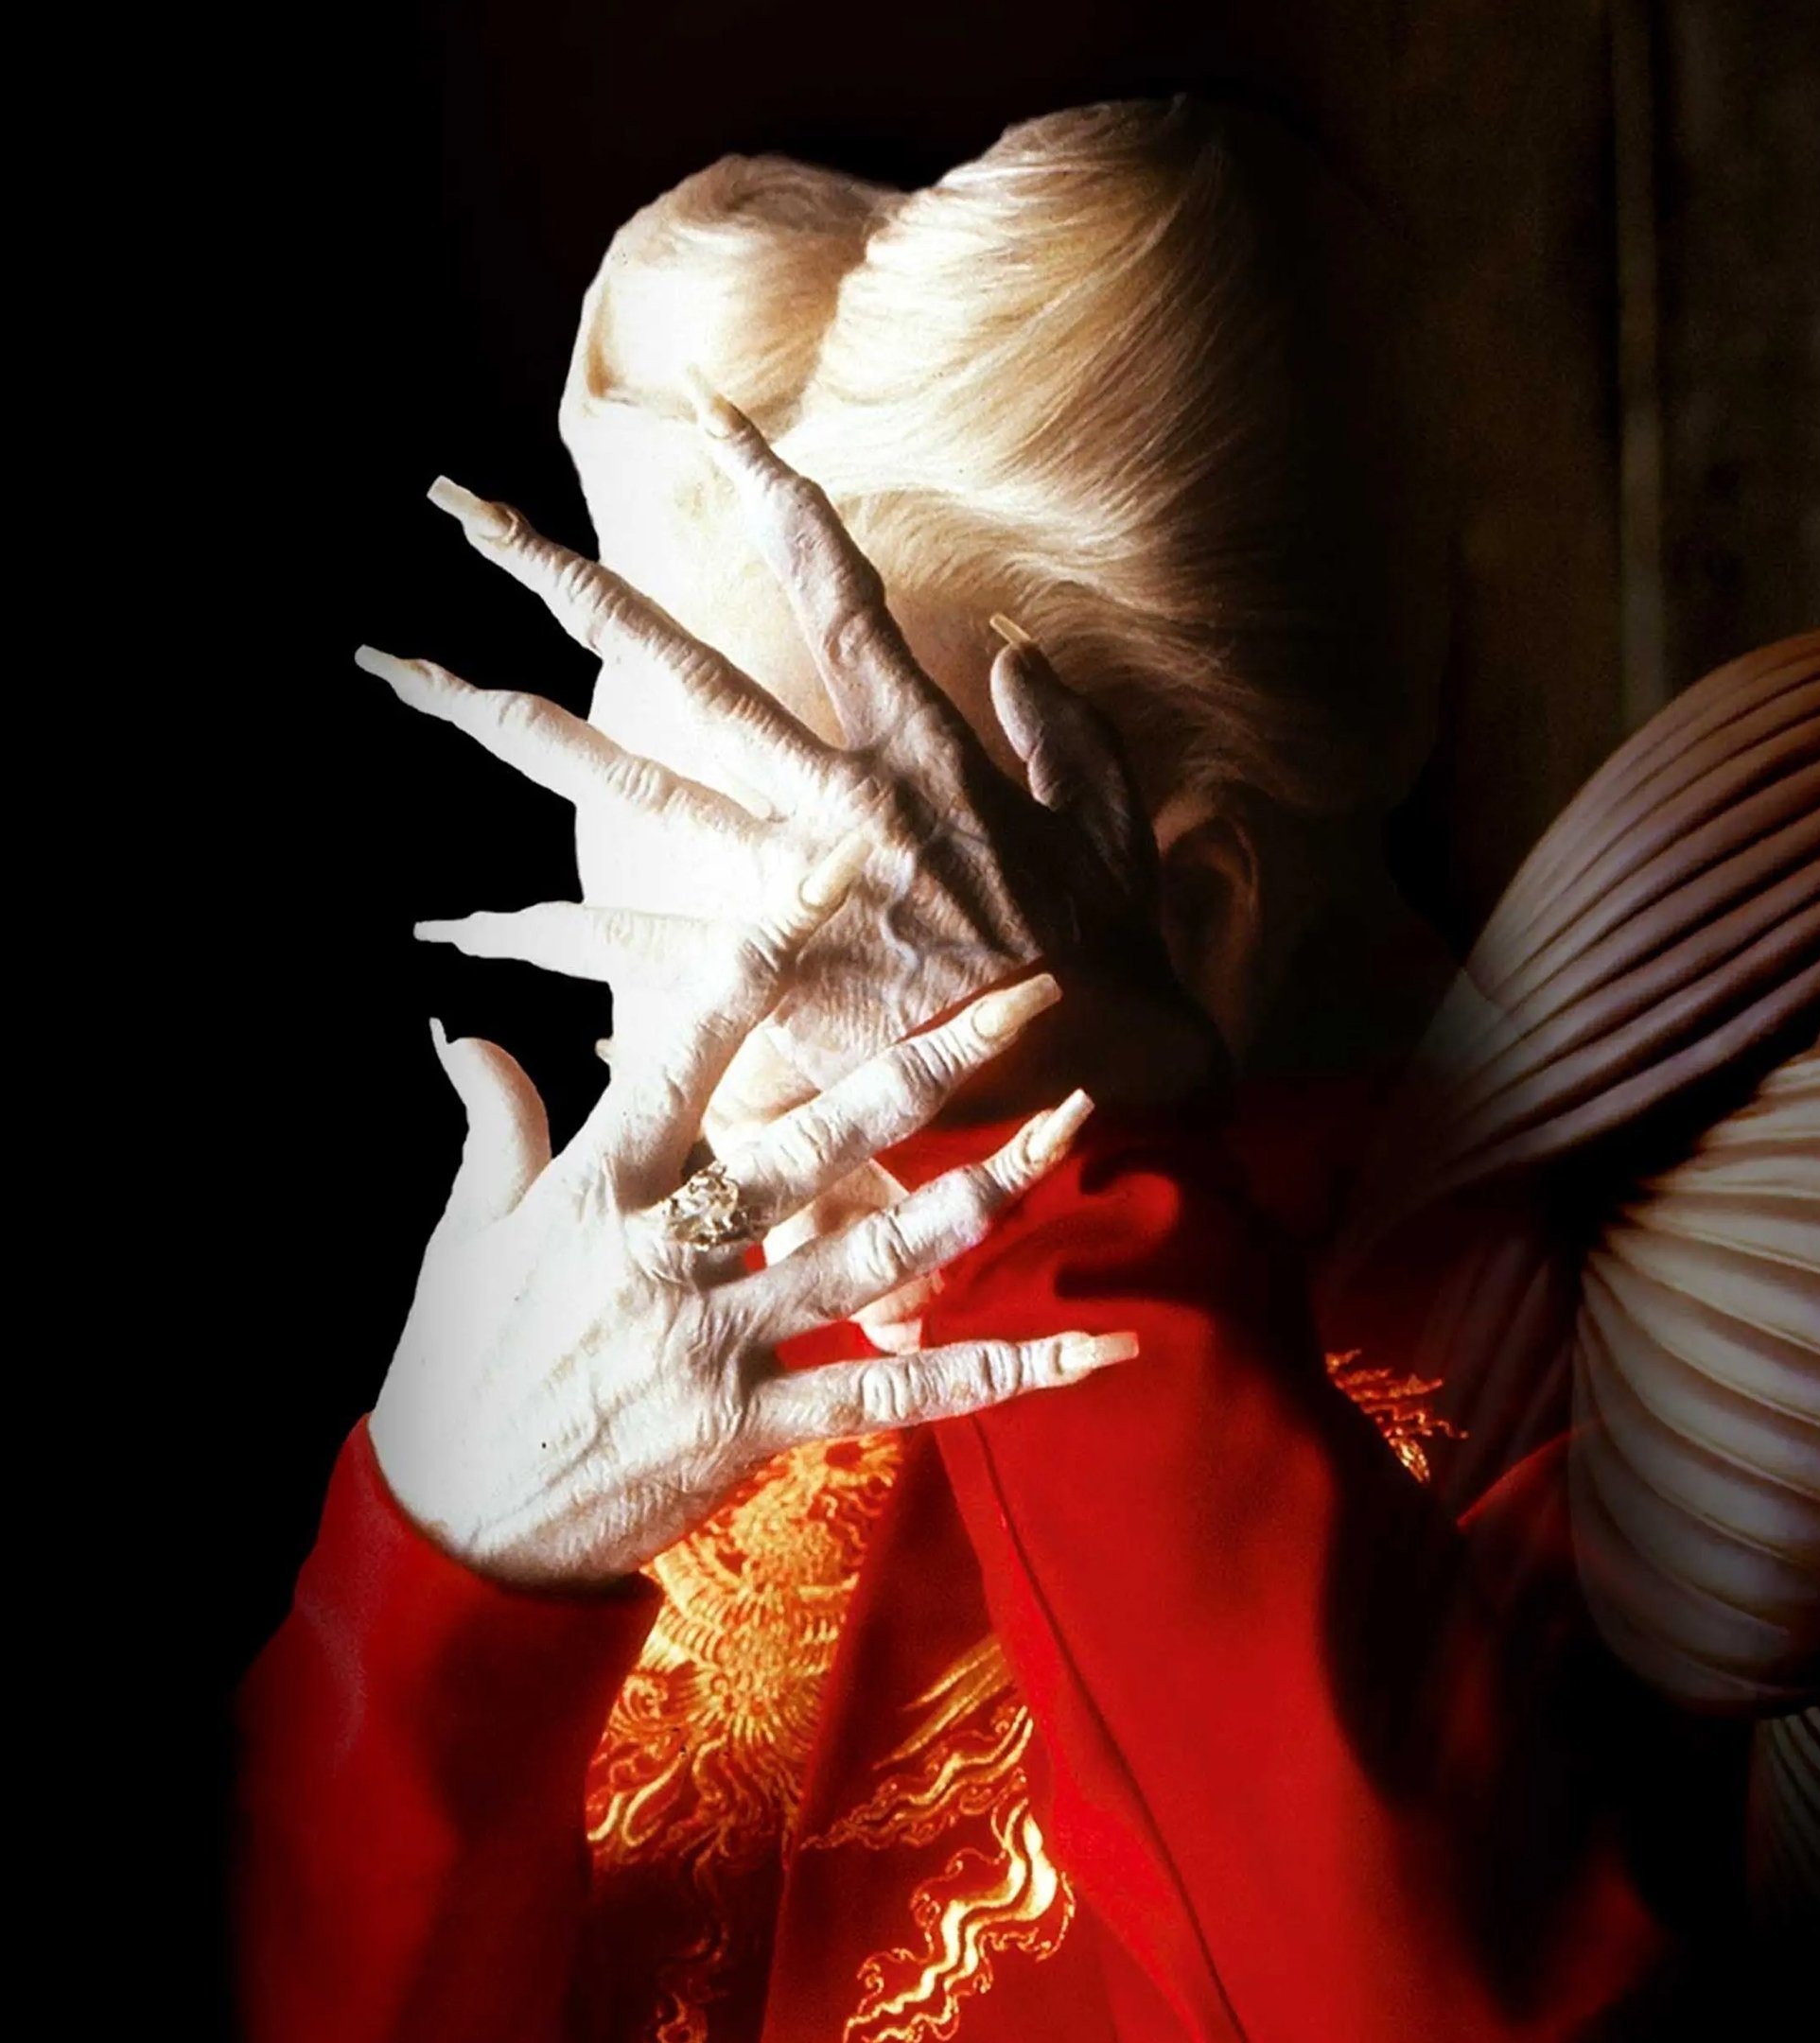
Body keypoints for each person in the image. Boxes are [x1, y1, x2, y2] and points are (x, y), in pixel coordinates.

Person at [236, 101, 1655, 2043]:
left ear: (1191, 919)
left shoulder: (1566, 1389)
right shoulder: (674, 1345)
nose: (662, 1157)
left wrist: (1066, 1199)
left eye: (800, 998)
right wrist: (440, 1595)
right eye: (635, 1002)